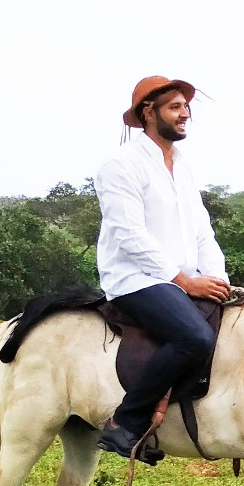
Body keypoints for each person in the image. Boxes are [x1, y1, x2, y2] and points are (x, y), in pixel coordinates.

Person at [93, 76, 231, 460]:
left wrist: (218, 280)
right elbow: (129, 234)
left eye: (186, 107)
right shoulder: (121, 166)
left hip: (181, 280)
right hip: (136, 279)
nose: (185, 113)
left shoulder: (183, 168)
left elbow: (202, 231)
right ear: (148, 112)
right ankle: (126, 424)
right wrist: (184, 281)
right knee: (194, 338)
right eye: (175, 107)